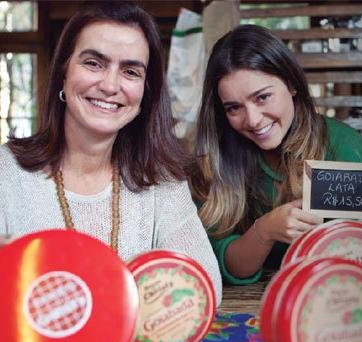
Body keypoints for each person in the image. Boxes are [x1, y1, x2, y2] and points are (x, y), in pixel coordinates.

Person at [0, 2, 222, 304]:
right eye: (93, 63)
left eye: (130, 71)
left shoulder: (163, 180)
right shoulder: (7, 170)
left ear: (146, 91)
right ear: (64, 71)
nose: (109, 85)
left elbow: (202, 286)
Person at [190, 24, 362, 285]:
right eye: (233, 108)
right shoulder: (216, 160)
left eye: (262, 97)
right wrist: (265, 230)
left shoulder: (343, 147)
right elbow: (229, 266)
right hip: (245, 306)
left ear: (292, 85)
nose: (252, 120)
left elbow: (354, 255)